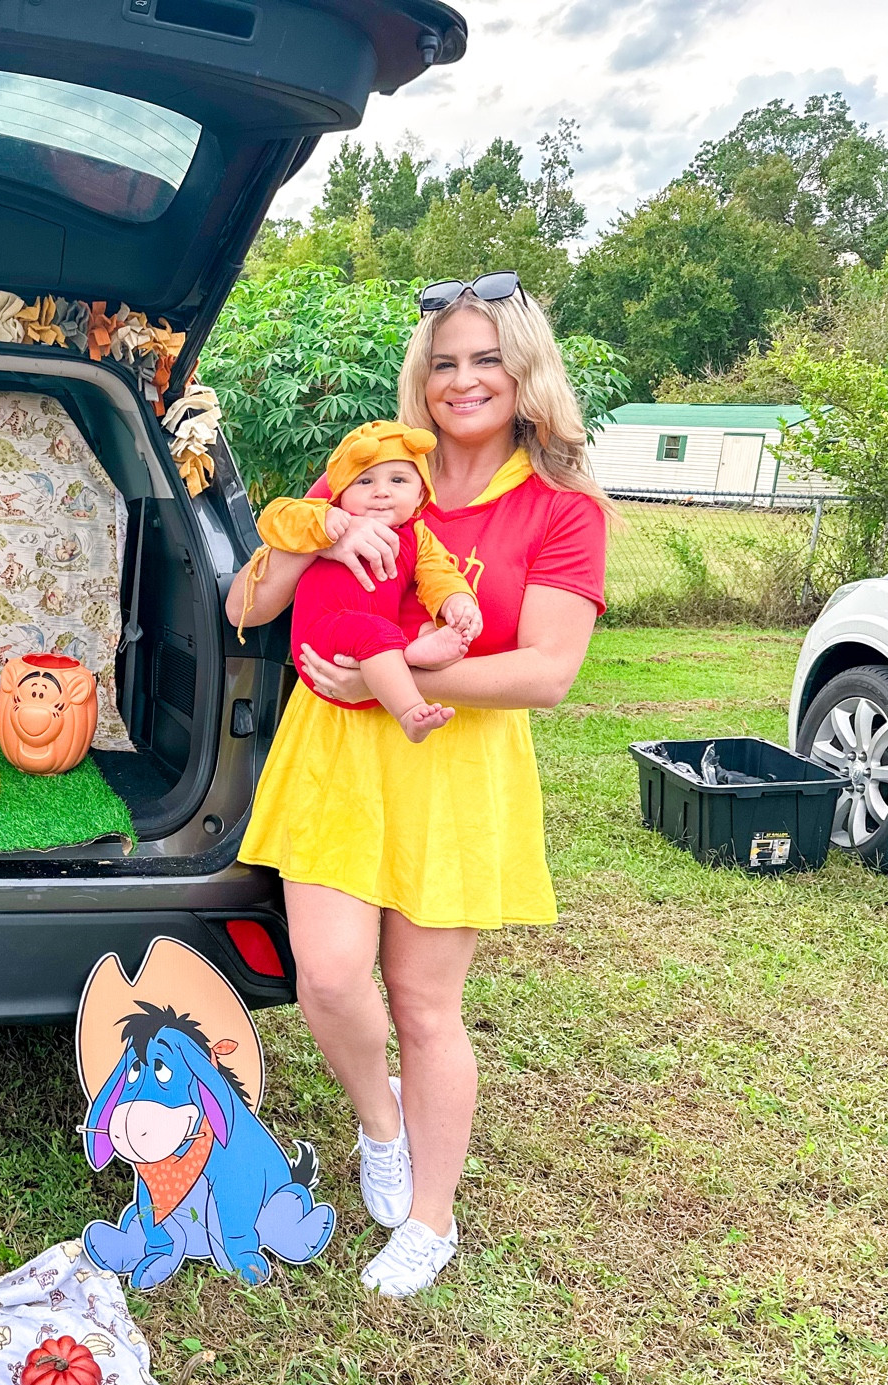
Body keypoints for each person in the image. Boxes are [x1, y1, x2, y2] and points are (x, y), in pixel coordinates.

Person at [225, 272, 609, 1297]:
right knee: (327, 978)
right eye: (444, 363)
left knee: (425, 1005)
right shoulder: (373, 469)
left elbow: (547, 672)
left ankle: (429, 1219)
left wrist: (393, 676)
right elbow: (245, 606)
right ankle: (379, 1122)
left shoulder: (559, 509)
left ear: (525, 373)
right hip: (335, 765)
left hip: (454, 769)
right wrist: (317, 533)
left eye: (487, 360)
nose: (462, 381)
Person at [235, 420, 481, 744]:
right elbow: (274, 517)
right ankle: (410, 711)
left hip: (375, 648)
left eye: (398, 480)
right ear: (340, 492)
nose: (381, 491)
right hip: (324, 636)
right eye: (364, 481)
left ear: (421, 492)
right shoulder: (329, 517)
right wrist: (323, 525)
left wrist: (457, 600)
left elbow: (440, 574)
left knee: (421, 624)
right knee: (374, 631)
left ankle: (414, 653)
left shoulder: (419, 537)